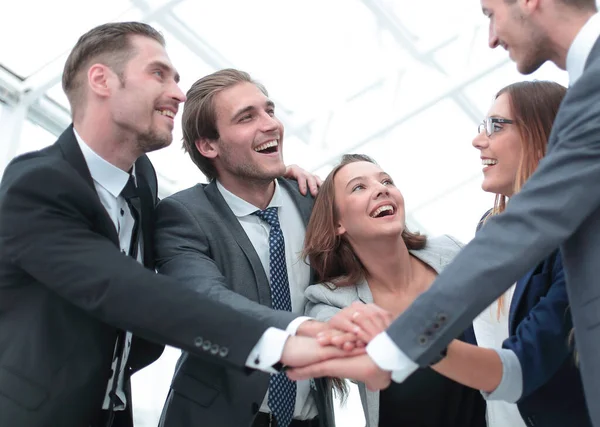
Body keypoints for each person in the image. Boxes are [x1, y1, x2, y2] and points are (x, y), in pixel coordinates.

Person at [0, 23, 349, 427]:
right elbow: (130, 290)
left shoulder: (142, 179)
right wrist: (281, 341)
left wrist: (267, 173)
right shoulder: (38, 184)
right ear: (102, 80)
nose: (178, 94)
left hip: (113, 409)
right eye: (158, 73)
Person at [290, 1, 600, 426]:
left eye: (490, 12)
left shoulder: (466, 250)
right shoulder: (492, 229)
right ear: (338, 221)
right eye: (358, 187)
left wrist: (403, 341)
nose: (490, 36)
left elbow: (524, 360)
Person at [153, 69, 355, 427]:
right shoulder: (183, 215)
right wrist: (304, 328)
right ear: (208, 145)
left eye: (270, 111)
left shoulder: (315, 202)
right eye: (247, 117)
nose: (271, 125)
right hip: (217, 417)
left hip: (309, 418)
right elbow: (206, 300)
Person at [300, 153, 486, 427]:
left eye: (386, 181)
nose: (381, 189)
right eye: (359, 187)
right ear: (338, 223)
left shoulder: (451, 251)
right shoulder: (329, 301)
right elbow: (343, 347)